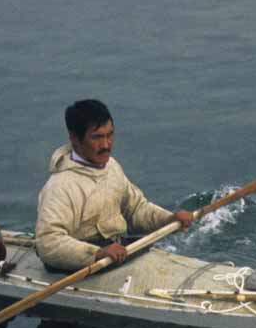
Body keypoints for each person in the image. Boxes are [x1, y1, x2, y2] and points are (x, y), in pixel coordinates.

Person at [35, 99, 193, 271]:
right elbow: (48, 242)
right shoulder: (60, 186)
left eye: (109, 135)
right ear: (74, 138)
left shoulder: (112, 167)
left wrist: (169, 219)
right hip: (84, 267)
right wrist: (97, 254)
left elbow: (135, 210)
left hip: (116, 252)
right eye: (97, 137)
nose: (106, 145)